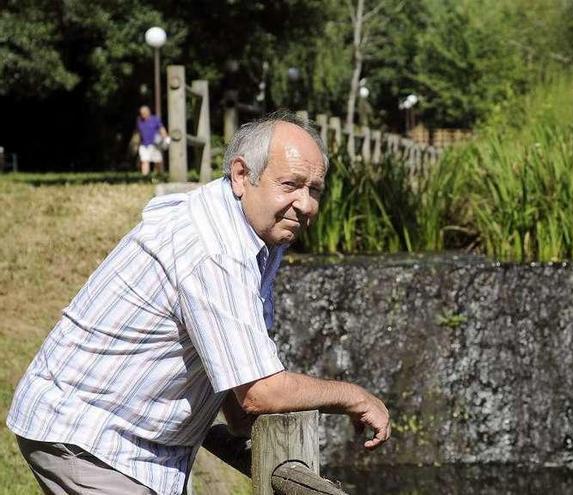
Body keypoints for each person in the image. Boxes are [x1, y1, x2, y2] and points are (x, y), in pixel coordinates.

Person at [7, 111, 391, 495]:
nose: (305, 204)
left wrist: (243, 416)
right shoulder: (214, 247)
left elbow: (240, 383)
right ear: (242, 175)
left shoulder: (254, 232)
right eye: (290, 184)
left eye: (315, 190)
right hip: (92, 436)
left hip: (125, 440)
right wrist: (354, 397)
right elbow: (261, 392)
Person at [136, 105, 169, 176]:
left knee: (157, 161)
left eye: (144, 113)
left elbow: (161, 129)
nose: (143, 115)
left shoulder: (155, 120)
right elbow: (138, 133)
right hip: (144, 145)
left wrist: (166, 138)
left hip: (155, 144)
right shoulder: (139, 121)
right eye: (141, 113)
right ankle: (145, 176)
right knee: (144, 160)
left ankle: (157, 176)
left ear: (148, 112)